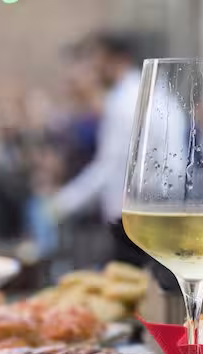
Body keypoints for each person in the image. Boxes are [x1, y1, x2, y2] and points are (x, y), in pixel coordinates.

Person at [48, 32, 141, 224]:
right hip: (121, 210)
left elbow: (108, 165)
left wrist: (63, 202)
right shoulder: (124, 97)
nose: (96, 66)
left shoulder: (124, 102)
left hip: (126, 213)